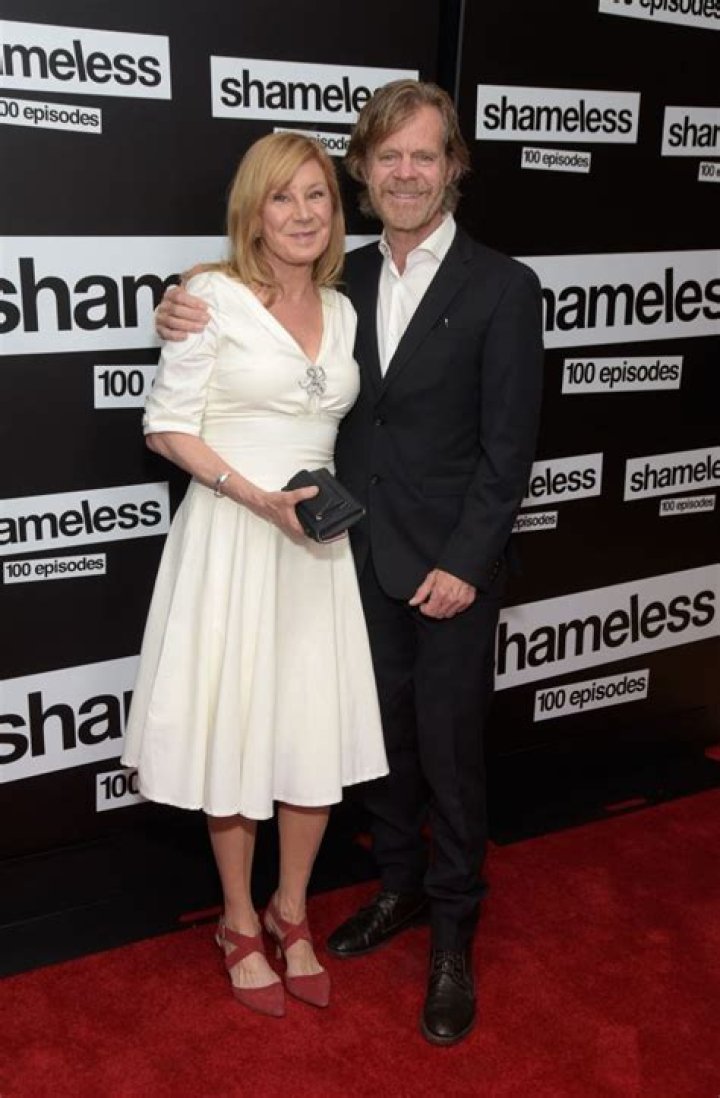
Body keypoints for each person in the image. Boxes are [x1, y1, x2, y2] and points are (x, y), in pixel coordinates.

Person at [155, 80, 544, 1045]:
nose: (406, 173)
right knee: (376, 753)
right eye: (388, 156)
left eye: (426, 155)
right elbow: (251, 341)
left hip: (447, 570)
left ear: (453, 167)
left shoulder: (503, 286)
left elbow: (509, 450)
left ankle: (452, 934)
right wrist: (181, 305)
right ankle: (396, 889)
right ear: (364, 171)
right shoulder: (344, 283)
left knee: (451, 757)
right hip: (343, 559)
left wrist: (468, 562)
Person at [122, 132, 388, 1020]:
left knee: (311, 733)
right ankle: (237, 919)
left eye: (317, 196)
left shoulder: (345, 309)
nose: (302, 214)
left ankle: (291, 908)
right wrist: (253, 495)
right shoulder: (209, 298)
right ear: (254, 210)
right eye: (283, 197)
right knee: (234, 730)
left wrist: (297, 510)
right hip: (236, 535)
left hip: (315, 549)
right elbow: (166, 426)